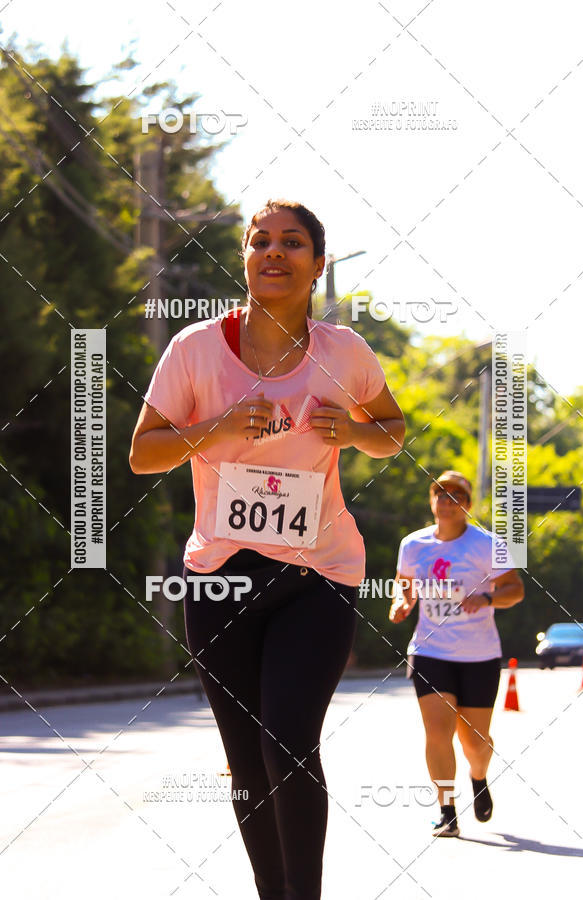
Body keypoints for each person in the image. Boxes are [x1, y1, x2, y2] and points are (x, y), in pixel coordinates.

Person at [130, 198, 405, 899]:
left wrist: (355, 431)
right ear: (245, 258)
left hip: (318, 571)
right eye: (260, 241)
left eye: (291, 242)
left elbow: (393, 430)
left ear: (318, 264)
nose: (273, 252)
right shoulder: (195, 349)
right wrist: (216, 427)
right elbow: (141, 454)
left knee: (287, 742)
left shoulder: (344, 352)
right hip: (220, 576)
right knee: (248, 763)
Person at [389, 470, 524, 837]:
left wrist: (487, 598)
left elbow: (516, 589)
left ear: (467, 504)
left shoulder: (488, 544)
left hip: (479, 655)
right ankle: (447, 811)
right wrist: (400, 605)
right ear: (432, 501)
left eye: (455, 496)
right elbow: (404, 589)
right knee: (437, 732)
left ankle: (478, 777)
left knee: (476, 742)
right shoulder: (413, 545)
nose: (447, 501)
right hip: (429, 650)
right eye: (440, 494)